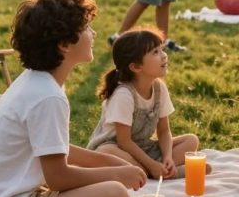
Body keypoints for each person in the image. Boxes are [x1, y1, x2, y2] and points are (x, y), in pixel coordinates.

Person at [0, 0, 146, 197]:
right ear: (64, 44)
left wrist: (114, 164)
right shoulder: (47, 96)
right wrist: (117, 175)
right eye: (86, 28)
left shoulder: (38, 82)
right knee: (117, 196)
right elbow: (58, 177)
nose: (94, 33)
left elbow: (58, 149)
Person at [87, 26, 203, 178]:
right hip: (117, 149)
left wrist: (168, 156)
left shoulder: (159, 88)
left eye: (162, 49)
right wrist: (151, 163)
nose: (164, 56)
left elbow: (163, 131)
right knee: (107, 152)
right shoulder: (124, 95)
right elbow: (124, 142)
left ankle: (161, 169)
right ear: (136, 67)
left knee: (191, 140)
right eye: (155, 52)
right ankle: (157, 172)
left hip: (143, 147)